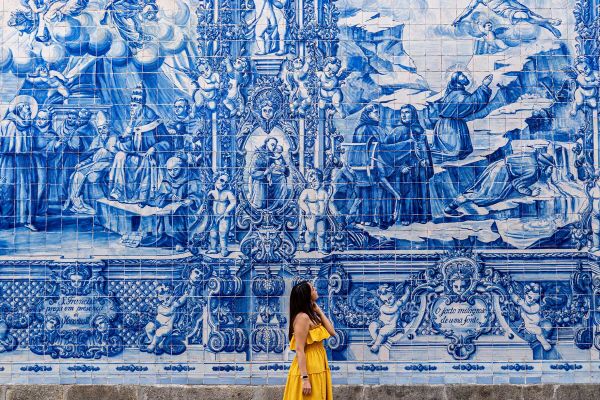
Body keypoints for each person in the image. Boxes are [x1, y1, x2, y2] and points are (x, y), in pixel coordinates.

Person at [109, 83, 171, 205]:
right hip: (135, 155)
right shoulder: (133, 122)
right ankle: (118, 191)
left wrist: (155, 148)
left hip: (149, 156)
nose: (132, 108)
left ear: (141, 106)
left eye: (135, 106)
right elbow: (129, 145)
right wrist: (124, 137)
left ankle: (143, 197)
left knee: (146, 162)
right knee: (120, 156)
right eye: (131, 105)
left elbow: (168, 142)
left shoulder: (154, 122)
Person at [444, 151, 556, 216]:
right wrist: (531, 193)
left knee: (477, 190)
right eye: (550, 168)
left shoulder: (531, 156)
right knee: (483, 195)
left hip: (497, 165)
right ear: (544, 165)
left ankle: (452, 207)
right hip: (501, 174)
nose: (550, 171)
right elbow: (518, 183)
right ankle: (450, 208)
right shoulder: (533, 171)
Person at [283, 281, 335, 399]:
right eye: (312, 289)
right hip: (309, 367)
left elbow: (332, 332)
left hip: (318, 363)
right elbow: (299, 349)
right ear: (306, 295)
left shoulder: (312, 315)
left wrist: (319, 311)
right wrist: (305, 379)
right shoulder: (303, 318)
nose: (315, 289)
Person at [431, 72, 493, 163]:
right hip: (449, 127)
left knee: (460, 152)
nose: (465, 76)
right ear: (456, 79)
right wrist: (484, 86)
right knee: (453, 152)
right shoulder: (457, 94)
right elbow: (472, 102)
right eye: (462, 75)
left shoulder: (457, 92)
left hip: (453, 123)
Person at [64, 111, 118, 214]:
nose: (102, 131)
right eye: (100, 129)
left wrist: (105, 152)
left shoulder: (114, 138)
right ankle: (77, 203)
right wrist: (82, 164)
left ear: (108, 127)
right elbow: (91, 156)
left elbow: (116, 154)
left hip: (108, 165)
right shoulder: (97, 139)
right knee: (77, 173)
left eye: (104, 128)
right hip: (94, 164)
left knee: (89, 176)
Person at [0, 95, 39, 231]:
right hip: (8, 160)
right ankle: (5, 220)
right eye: (26, 110)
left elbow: (40, 144)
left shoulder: (31, 128)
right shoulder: (5, 124)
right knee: (7, 189)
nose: (29, 113)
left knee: (27, 191)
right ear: (19, 110)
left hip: (25, 161)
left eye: (29, 110)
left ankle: (27, 220)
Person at [347, 104, 384, 226]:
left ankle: (366, 218)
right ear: (368, 115)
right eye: (375, 112)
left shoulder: (372, 127)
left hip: (369, 165)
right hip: (365, 166)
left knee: (367, 193)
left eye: (378, 112)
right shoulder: (364, 128)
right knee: (367, 192)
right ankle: (366, 218)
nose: (378, 115)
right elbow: (361, 149)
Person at [452, 0, 562, 38]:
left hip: (512, 3)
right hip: (505, 10)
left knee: (532, 16)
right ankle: (549, 21)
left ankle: (550, 27)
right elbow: (469, 9)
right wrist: (459, 18)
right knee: (526, 16)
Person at [206, 172, 236, 257]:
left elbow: (233, 202)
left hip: (224, 216)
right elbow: (206, 204)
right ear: (215, 179)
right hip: (213, 217)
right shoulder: (211, 192)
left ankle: (224, 249)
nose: (223, 183)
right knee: (213, 234)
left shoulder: (228, 193)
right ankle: (213, 248)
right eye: (221, 180)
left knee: (223, 233)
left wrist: (227, 211)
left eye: (226, 182)